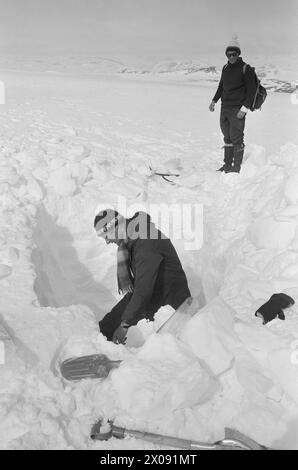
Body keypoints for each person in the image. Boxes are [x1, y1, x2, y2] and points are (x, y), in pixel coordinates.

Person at [94, 209, 191, 344]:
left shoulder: (145, 241)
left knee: (117, 324)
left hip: (173, 306)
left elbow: (143, 289)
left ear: (114, 229)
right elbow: (140, 288)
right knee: (107, 326)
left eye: (106, 237)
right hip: (157, 293)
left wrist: (124, 326)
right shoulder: (134, 239)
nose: (107, 242)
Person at [209, 36, 256, 173]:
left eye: (234, 54)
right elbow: (221, 86)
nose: (231, 57)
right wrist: (214, 101)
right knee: (227, 137)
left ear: (238, 54)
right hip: (225, 107)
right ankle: (227, 164)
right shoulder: (225, 68)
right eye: (229, 54)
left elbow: (251, 91)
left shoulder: (245, 68)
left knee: (237, 138)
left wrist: (244, 109)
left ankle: (236, 167)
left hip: (237, 109)